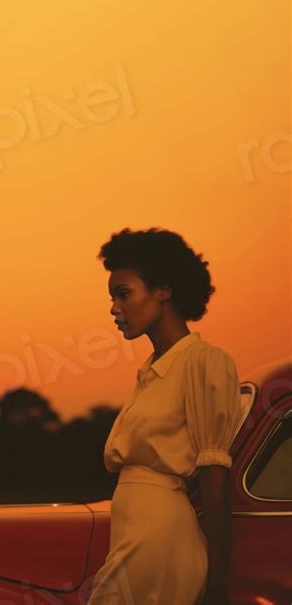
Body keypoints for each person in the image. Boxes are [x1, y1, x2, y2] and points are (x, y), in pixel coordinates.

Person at [86, 227, 243, 605]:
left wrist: (219, 580)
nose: (113, 308)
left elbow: (214, 475)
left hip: (158, 537)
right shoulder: (153, 371)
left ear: (164, 291)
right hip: (131, 530)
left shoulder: (204, 362)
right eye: (112, 297)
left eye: (124, 294)